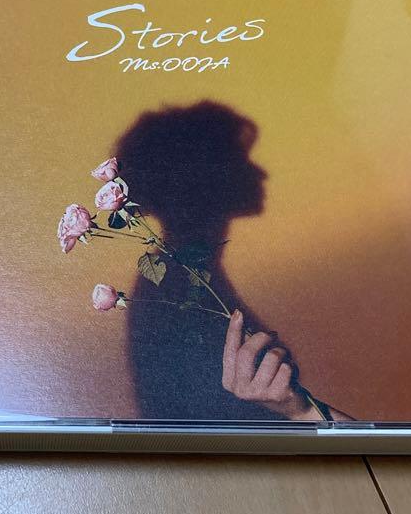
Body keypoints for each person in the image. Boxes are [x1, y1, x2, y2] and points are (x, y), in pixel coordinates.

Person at [115, 102, 351, 423]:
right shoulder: (177, 286)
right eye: (239, 159)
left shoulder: (184, 274)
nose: (260, 172)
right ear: (201, 174)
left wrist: (299, 410)